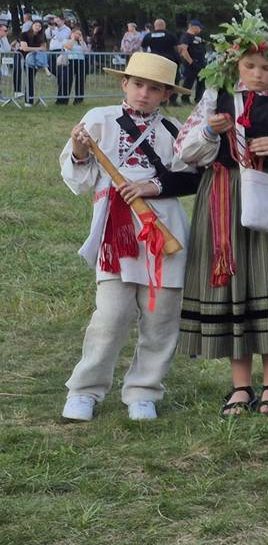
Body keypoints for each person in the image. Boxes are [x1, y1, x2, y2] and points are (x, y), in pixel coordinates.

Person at [171, 10, 268, 416]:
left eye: (266, 67)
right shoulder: (215, 97)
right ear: (235, 64)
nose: (257, 74)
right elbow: (183, 151)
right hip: (225, 194)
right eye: (249, 65)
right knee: (233, 284)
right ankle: (240, 386)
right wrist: (209, 132)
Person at [59, 52, 199, 422]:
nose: (144, 94)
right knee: (111, 315)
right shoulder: (99, 119)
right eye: (138, 84)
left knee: (161, 317)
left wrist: (153, 186)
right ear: (124, 83)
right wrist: (79, 148)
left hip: (163, 230)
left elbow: (193, 177)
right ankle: (85, 390)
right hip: (116, 231)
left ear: (166, 94)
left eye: (154, 89)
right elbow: (79, 179)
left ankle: (144, 391)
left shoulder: (174, 129)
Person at [177, 18, 208, 102]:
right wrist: (191, 62)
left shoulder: (198, 37)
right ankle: (185, 98)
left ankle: (199, 98)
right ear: (193, 27)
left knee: (201, 82)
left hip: (201, 62)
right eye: (199, 27)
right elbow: (183, 50)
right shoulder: (186, 36)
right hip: (191, 62)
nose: (200, 29)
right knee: (189, 81)